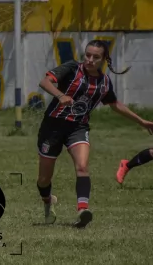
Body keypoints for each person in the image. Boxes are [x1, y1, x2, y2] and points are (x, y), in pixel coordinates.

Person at [35, 39, 153, 228]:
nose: (90, 59)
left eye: (95, 57)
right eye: (87, 55)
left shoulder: (104, 82)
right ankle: (48, 201)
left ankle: (83, 210)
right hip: (52, 128)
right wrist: (60, 95)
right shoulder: (72, 68)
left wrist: (142, 121)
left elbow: (115, 105)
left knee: (82, 166)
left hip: (78, 128)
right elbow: (45, 81)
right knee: (43, 179)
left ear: (104, 59)